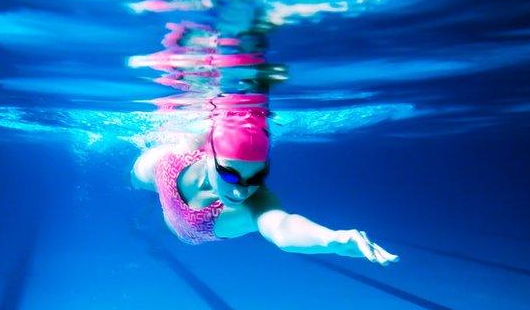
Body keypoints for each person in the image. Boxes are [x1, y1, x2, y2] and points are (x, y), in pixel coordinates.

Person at [130, 94, 398, 265]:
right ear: (206, 154)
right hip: (162, 174)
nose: (240, 191)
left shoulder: (254, 205)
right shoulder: (179, 152)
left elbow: (282, 228)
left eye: (256, 176)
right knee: (134, 177)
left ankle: (154, 201)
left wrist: (331, 240)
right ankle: (151, 198)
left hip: (183, 229)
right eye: (228, 173)